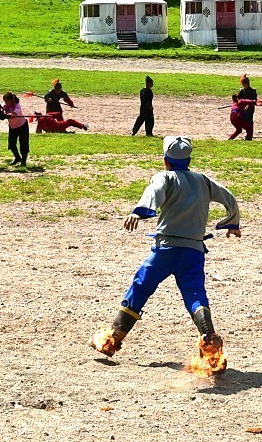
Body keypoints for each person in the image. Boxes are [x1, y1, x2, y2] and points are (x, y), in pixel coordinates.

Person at [90, 136, 241, 371]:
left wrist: (139, 213)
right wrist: (232, 222)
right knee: (195, 295)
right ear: (189, 159)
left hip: (165, 250)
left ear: (165, 161)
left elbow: (154, 192)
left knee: (141, 286)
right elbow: (229, 197)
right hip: (193, 251)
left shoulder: (165, 177)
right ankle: (211, 344)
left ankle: (113, 339)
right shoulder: (203, 180)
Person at [2, 91, 30, 167]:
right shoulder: (4, 104)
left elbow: (13, 114)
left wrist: (8, 114)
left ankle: (23, 162)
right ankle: (17, 157)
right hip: (13, 127)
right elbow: (1, 109)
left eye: (6, 101)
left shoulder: (17, 106)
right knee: (11, 144)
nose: (5, 103)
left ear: (11, 101)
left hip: (22, 126)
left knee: (23, 144)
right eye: (4, 101)